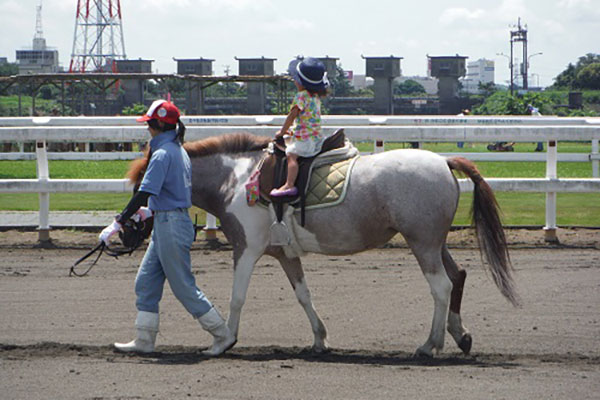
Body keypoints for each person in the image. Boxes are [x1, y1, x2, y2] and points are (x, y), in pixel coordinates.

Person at [99, 99, 235, 356]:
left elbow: (144, 192)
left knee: (183, 286)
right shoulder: (177, 150)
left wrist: (117, 223)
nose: (147, 127)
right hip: (168, 221)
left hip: (170, 225)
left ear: (160, 123)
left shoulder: (162, 154)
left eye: (149, 123)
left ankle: (222, 334)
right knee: (146, 282)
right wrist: (149, 210)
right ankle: (144, 340)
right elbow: (169, 190)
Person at [270, 57, 329, 197]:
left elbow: (292, 116)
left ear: (300, 81)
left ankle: (289, 185)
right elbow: (308, 120)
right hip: (316, 138)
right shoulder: (315, 97)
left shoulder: (301, 96)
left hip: (306, 140)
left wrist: (282, 131)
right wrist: (293, 131)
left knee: (291, 155)